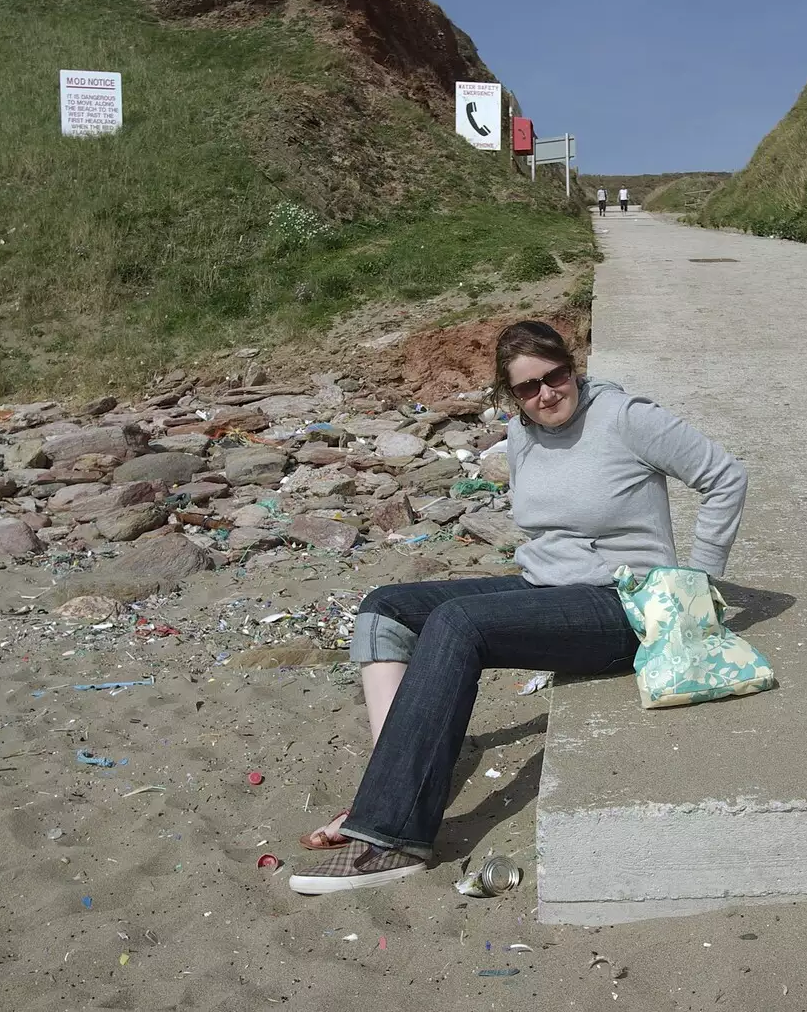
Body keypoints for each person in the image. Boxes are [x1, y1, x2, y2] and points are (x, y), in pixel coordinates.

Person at [289, 320, 748, 893]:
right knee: (386, 606)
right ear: (511, 397)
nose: (546, 394)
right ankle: (395, 776)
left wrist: (697, 583)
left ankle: (391, 833)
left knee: (459, 623)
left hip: (623, 605)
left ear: (571, 366)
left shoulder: (627, 418)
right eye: (528, 388)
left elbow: (725, 476)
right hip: (545, 592)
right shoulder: (523, 432)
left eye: (555, 377)